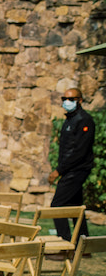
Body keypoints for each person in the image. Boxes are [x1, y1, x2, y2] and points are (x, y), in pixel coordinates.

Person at [48, 87, 95, 241]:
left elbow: (79, 152)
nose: (67, 102)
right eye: (64, 99)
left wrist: (58, 171)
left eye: (71, 99)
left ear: (79, 101)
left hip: (77, 170)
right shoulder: (70, 119)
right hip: (70, 170)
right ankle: (84, 244)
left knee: (57, 206)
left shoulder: (84, 120)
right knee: (75, 208)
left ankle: (64, 243)